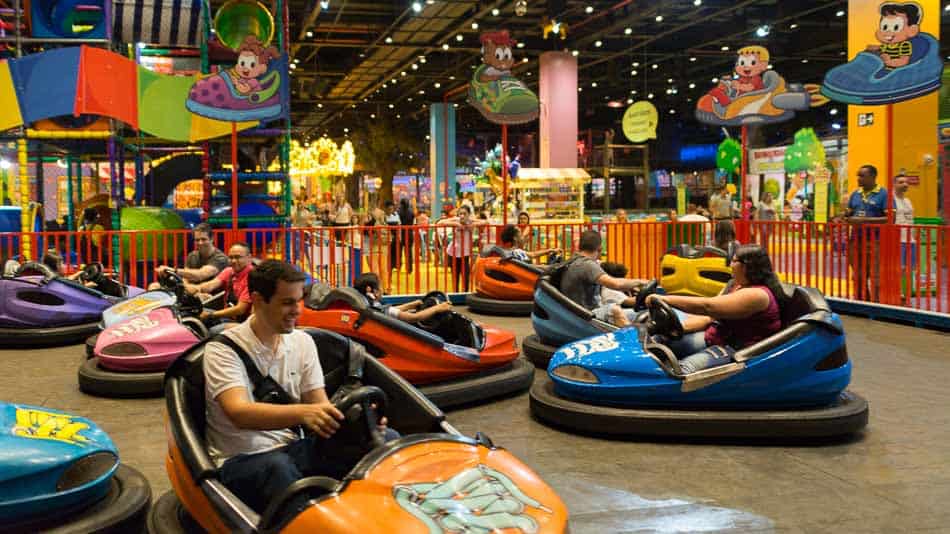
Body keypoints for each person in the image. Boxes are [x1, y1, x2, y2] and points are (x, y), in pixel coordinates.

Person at [204, 260, 398, 514]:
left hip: (294, 449)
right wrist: (303, 413)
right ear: (259, 300)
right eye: (287, 302)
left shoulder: (302, 343)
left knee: (386, 440)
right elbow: (239, 412)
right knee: (278, 467)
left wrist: (359, 423)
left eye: (299, 300)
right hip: (241, 459)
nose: (298, 310)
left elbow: (319, 406)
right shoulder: (223, 350)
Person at [645, 244, 785, 374]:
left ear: (747, 266)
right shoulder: (736, 285)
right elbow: (710, 317)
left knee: (681, 371)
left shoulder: (757, 294)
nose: (730, 265)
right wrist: (679, 328)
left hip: (737, 350)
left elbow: (708, 306)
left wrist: (665, 299)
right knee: (656, 342)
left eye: (734, 261)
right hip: (716, 337)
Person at [560, 230, 647, 327]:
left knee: (639, 314)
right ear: (600, 248)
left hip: (589, 313)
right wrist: (640, 282)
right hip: (586, 316)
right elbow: (616, 284)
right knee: (614, 310)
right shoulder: (586, 265)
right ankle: (635, 341)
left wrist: (631, 286)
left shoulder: (575, 261)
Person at [185, 243, 255, 333]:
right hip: (230, 316)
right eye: (231, 257)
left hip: (244, 323)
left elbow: (240, 309)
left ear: (249, 258)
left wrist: (212, 315)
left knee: (210, 331)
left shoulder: (253, 276)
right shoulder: (229, 271)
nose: (233, 261)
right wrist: (196, 288)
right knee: (193, 316)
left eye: (238, 257)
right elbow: (211, 285)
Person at [845, 164, 888, 301]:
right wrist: (844, 216)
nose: (858, 178)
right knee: (858, 274)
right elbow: (849, 212)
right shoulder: (855, 194)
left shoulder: (883, 194)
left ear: (873, 177)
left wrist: (864, 220)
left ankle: (876, 305)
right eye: (858, 175)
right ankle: (861, 302)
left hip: (875, 241)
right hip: (855, 240)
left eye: (862, 176)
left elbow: (889, 219)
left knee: (875, 275)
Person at [153, 223, 228, 289]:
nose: (200, 243)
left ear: (212, 239)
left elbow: (200, 275)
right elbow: (186, 279)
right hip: (191, 293)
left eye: (204, 239)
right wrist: (186, 289)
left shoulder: (220, 258)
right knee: (154, 286)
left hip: (209, 296)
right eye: (197, 240)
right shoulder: (192, 256)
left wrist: (173, 270)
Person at [353, 273, 452, 322]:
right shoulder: (376, 308)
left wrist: (411, 305)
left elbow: (389, 310)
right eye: (381, 286)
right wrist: (437, 308)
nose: (382, 289)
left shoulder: (366, 304)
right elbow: (414, 317)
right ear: (371, 290)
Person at [439, 205, 486, 292]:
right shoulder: (456, 220)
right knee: (455, 277)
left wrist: (473, 225)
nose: (462, 216)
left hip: (465, 253)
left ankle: (465, 295)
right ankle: (455, 295)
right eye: (460, 213)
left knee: (466, 277)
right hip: (453, 253)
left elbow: (485, 222)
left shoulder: (470, 220)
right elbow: (440, 223)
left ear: (469, 214)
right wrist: (455, 224)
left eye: (464, 214)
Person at [894, 174, 916, 302]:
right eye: (901, 182)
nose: (905, 184)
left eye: (906, 182)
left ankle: (904, 291)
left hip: (910, 240)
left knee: (909, 268)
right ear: (895, 184)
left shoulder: (908, 201)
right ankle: (897, 291)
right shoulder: (892, 200)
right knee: (899, 267)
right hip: (898, 239)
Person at [398, 198, 415, 274]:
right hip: (409, 233)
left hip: (401, 233)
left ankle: (398, 266)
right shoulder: (411, 212)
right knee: (409, 252)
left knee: (399, 251)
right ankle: (409, 268)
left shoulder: (398, 212)